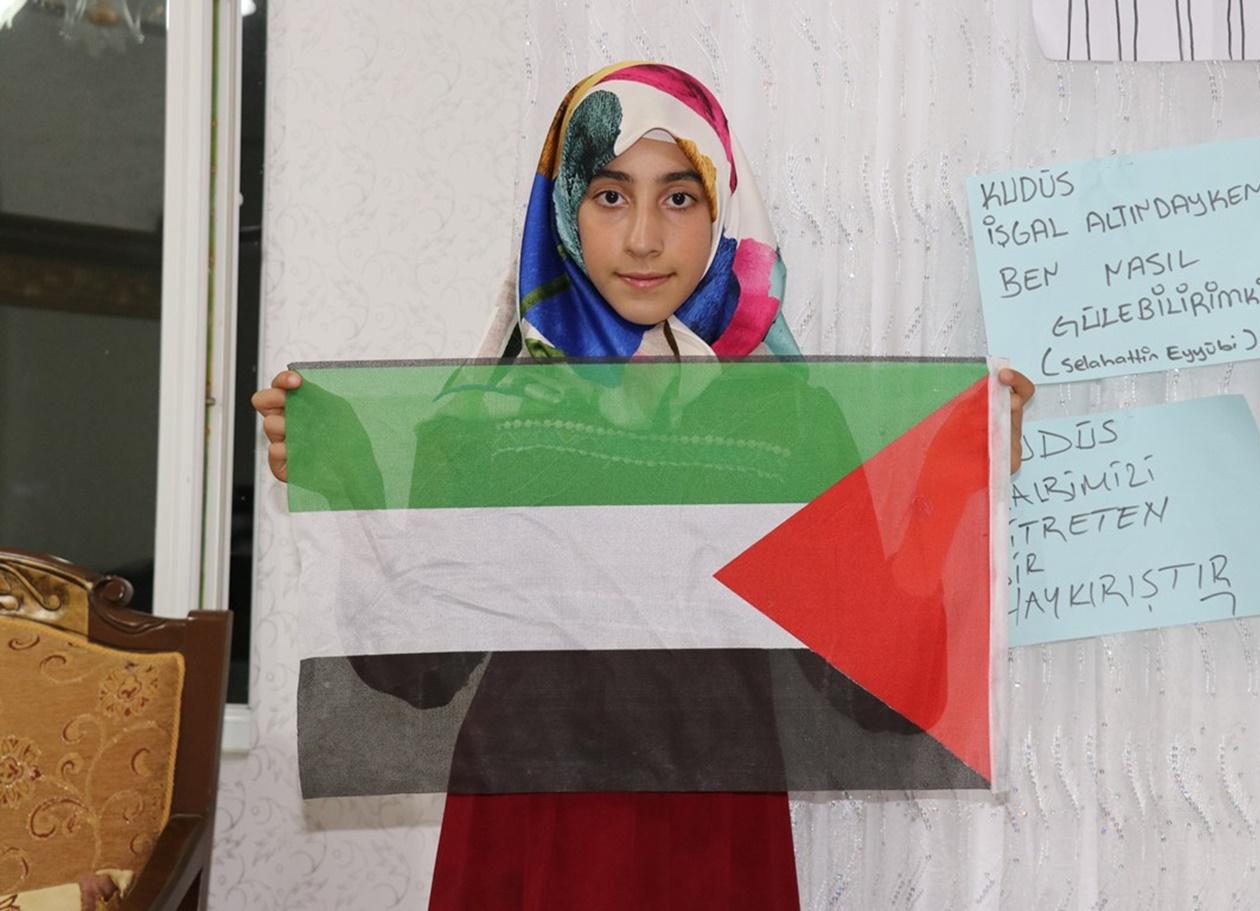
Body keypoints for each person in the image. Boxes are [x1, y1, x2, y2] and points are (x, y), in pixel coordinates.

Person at [253, 61, 1035, 910]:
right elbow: (417, 671)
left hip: (715, 841)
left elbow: (869, 687)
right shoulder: (487, 416)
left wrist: (958, 480)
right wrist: (347, 482)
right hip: (528, 833)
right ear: (564, 209)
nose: (643, 239)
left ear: (723, 210)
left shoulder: (785, 419)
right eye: (611, 195)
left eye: (679, 197)